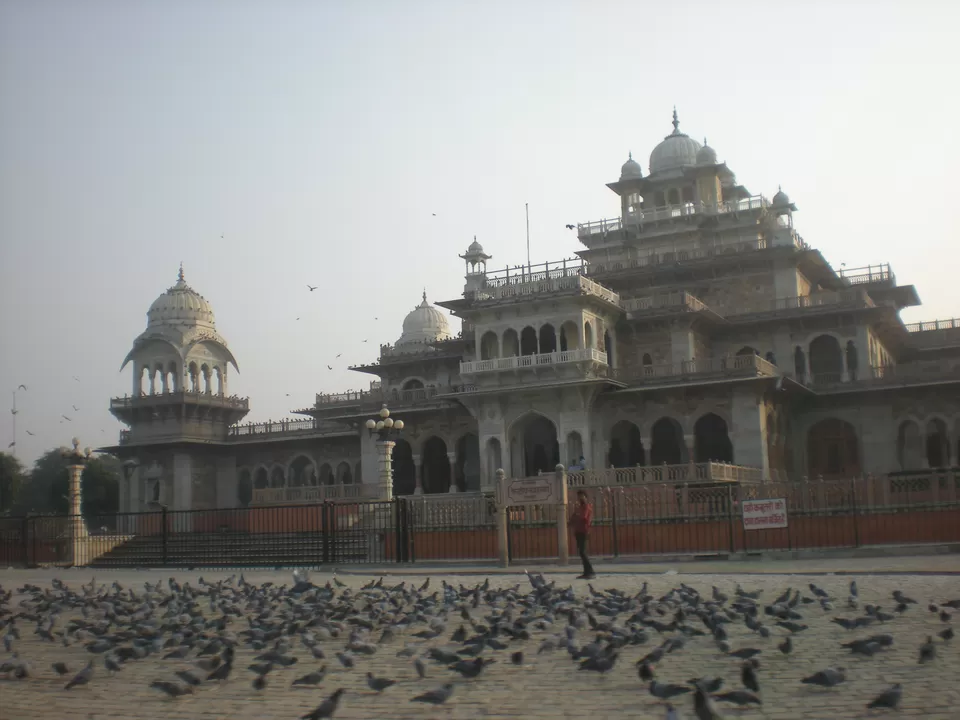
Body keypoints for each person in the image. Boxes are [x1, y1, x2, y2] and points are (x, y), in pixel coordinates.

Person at [569, 489, 595, 579]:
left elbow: (583, 517)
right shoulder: (579, 507)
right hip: (578, 530)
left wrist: (576, 515)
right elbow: (573, 518)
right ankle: (586, 572)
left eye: (581, 496)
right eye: (579, 496)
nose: (580, 498)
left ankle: (590, 571)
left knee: (582, 552)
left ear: (585, 497)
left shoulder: (587, 507)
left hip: (584, 531)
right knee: (581, 552)